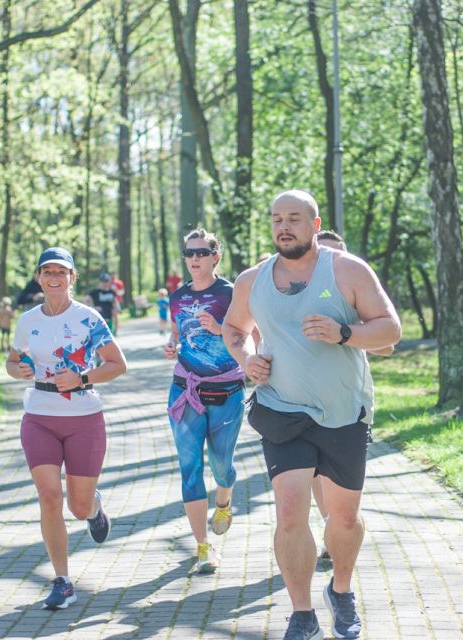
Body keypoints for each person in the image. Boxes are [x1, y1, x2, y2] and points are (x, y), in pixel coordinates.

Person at [222, 191, 401, 640]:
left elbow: (390, 329)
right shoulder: (252, 279)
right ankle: (301, 613)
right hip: (281, 410)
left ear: (315, 224)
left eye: (294, 218)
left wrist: (345, 333)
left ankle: (340, 590)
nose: (285, 226)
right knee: (289, 512)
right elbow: (233, 328)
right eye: (277, 218)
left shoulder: (347, 270)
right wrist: (247, 360)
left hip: (344, 413)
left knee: (341, 520)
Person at [5, 247, 128, 610]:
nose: (54, 277)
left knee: (76, 505)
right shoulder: (27, 320)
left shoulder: (89, 319)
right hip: (38, 416)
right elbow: (13, 361)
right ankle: (62, 580)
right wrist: (19, 371)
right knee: (49, 497)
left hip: (83, 419)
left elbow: (117, 364)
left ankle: (93, 508)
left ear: (72, 278)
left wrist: (82, 377)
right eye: (47, 271)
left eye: (62, 271)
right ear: (39, 277)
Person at [164, 229, 246, 574]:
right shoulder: (177, 297)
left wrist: (221, 328)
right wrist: (172, 346)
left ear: (216, 256)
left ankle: (224, 499)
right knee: (190, 467)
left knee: (221, 464)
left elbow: (251, 335)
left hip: (226, 391)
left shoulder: (231, 293)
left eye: (201, 251)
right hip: (186, 388)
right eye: (189, 252)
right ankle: (203, 548)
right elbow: (178, 333)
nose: (194, 257)